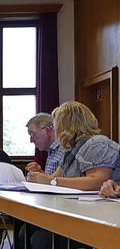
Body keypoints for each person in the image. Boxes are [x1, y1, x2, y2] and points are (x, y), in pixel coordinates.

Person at [26, 101, 120, 249]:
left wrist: (51, 181)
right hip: (75, 211)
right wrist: (39, 178)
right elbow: (53, 178)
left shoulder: (96, 143)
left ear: (66, 125)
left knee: (41, 240)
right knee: (25, 231)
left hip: (96, 216)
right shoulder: (71, 149)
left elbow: (97, 181)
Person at [18, 113, 68, 248]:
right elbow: (54, 180)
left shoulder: (66, 150)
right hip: (51, 207)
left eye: (32, 134)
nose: (31, 140)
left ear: (47, 130)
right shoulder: (51, 151)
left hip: (65, 210)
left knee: (38, 239)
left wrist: (43, 177)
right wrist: (41, 174)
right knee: (23, 231)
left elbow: (64, 182)